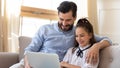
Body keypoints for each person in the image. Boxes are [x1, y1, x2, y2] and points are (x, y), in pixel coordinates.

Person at [10, 1, 111, 68]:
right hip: (32, 64)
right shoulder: (44, 29)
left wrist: (96, 46)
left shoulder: (79, 32)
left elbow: (107, 40)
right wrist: (27, 63)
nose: (64, 23)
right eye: (61, 19)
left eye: (68, 20)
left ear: (75, 17)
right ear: (58, 15)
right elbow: (29, 50)